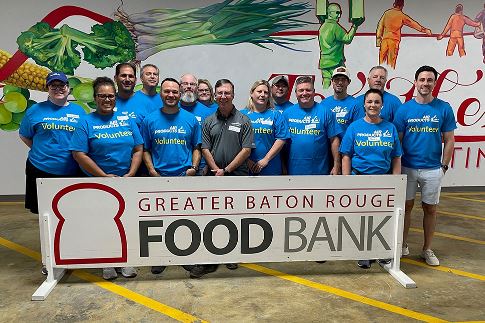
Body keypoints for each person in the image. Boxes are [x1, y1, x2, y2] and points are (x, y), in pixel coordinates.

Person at [70, 77, 143, 280]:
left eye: (110, 96)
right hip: (97, 182)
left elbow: (138, 148)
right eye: (102, 96)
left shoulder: (127, 119)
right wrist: (103, 176)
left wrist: (130, 173)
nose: (107, 99)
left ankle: (127, 260)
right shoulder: (86, 121)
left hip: (125, 181)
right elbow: (79, 154)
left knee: (127, 223)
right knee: (103, 223)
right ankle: (107, 262)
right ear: (95, 98)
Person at [19, 71, 85, 274]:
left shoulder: (79, 111)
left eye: (62, 85)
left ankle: (70, 255)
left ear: (68, 88)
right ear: (47, 88)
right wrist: (45, 152)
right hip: (41, 170)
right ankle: (49, 259)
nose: (58, 89)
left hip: (71, 171)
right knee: (46, 217)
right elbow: (25, 136)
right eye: (53, 85)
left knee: (71, 215)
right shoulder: (35, 111)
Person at [393, 65, 456, 266]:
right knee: (406, 207)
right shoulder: (404, 109)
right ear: (415, 82)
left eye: (429, 80)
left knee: (430, 209)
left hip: (432, 169)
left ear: (435, 83)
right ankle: (402, 246)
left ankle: (427, 249)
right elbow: (398, 142)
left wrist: (443, 167)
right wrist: (398, 167)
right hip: (408, 167)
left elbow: (449, 140)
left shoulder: (443, 108)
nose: (425, 83)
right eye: (422, 79)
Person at [340, 89, 402, 269]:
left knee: (382, 219)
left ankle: (382, 252)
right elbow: (346, 156)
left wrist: (396, 181)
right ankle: (363, 253)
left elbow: (396, 156)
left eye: (376, 102)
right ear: (364, 104)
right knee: (362, 219)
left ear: (382, 105)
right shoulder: (354, 127)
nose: (373, 105)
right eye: (369, 102)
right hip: (359, 179)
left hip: (384, 180)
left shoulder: (390, 128)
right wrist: (347, 181)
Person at [201, 79, 255, 277]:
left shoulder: (243, 120)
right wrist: (216, 170)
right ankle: (214, 254)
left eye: (227, 93)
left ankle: (231, 254)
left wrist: (227, 170)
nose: (223, 97)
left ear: (233, 95)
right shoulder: (208, 120)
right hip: (213, 176)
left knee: (234, 218)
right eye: (220, 93)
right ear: (215, 95)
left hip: (237, 176)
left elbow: (247, 149)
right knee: (213, 217)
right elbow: (204, 148)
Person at [282, 76, 342, 175]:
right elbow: (281, 143)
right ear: (295, 93)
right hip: (293, 170)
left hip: (320, 170)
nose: (304, 93)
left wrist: (336, 166)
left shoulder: (325, 112)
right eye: (301, 90)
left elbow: (334, 140)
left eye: (308, 90)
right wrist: (282, 166)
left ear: (314, 92)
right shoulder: (287, 113)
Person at [241, 80, 289, 175]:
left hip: (271, 166)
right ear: (251, 93)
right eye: (259, 91)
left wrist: (266, 160)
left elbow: (281, 139)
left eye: (266, 92)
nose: (262, 95)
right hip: (246, 166)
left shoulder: (276, 115)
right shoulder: (242, 115)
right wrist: (246, 160)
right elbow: (235, 140)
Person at [318, 2, 363, 89]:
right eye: (337, 13)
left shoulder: (323, 27)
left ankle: (325, 101)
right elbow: (347, 39)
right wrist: (354, 26)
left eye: (340, 13)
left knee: (326, 84)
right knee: (342, 84)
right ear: (330, 13)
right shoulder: (335, 27)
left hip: (324, 61)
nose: (339, 16)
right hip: (335, 61)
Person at [376, 0, 432, 69]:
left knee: (381, 62)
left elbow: (380, 26)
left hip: (384, 40)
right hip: (394, 41)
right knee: (391, 63)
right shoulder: (402, 16)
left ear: (394, 4)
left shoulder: (386, 13)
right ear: (402, 6)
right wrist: (425, 30)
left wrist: (378, 40)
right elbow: (413, 24)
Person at [179, 74, 215, 175]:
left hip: (202, 167)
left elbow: (213, 141)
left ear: (196, 88)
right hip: (176, 167)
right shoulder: (171, 109)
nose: (189, 86)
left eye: (192, 84)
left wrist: (208, 164)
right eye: (185, 84)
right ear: (179, 86)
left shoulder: (208, 113)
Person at [114, 62, 152, 128]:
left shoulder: (146, 102)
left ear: (135, 80)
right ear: (115, 78)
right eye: (123, 76)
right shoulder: (108, 102)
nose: (127, 79)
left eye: (131, 76)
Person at [319, 66, 356, 133]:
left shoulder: (355, 104)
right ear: (332, 81)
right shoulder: (324, 104)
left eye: (343, 79)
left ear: (349, 82)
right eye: (336, 79)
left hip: (347, 143)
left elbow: (357, 130)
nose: (339, 82)